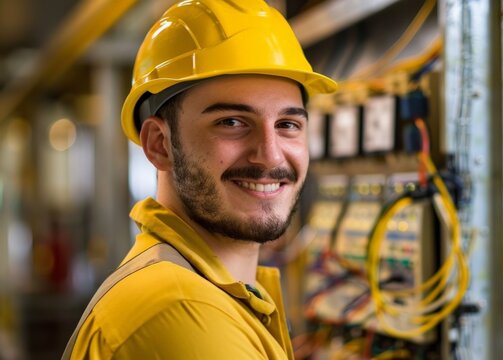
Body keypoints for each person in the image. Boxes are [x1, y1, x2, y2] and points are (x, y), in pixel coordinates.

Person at [63, 0, 336, 358]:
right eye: (232, 122)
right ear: (160, 144)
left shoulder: (217, 296)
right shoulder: (180, 311)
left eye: (287, 125)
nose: (270, 154)